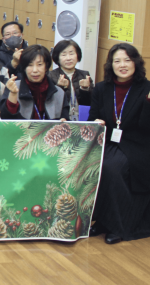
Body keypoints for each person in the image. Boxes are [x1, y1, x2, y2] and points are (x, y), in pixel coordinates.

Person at [89, 43, 150, 244]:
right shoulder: (101, 88)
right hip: (106, 140)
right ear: (111, 65)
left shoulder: (146, 88)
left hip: (137, 145)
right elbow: (92, 118)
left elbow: (146, 128)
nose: (122, 65)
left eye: (127, 60)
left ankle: (118, 224)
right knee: (94, 165)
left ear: (136, 63)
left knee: (111, 167)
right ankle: (102, 220)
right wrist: (97, 122)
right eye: (117, 61)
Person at [2, 45, 66, 120]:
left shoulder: (59, 93)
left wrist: (64, 122)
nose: (35, 70)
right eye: (30, 65)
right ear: (24, 68)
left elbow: (65, 120)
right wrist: (13, 94)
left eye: (39, 64)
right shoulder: (14, 87)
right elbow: (6, 119)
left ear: (46, 66)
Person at [49, 39, 92, 121]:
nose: (68, 58)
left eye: (71, 54)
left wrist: (85, 90)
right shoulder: (51, 76)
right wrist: (60, 88)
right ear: (57, 58)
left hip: (81, 119)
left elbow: (90, 103)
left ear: (77, 55)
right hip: (61, 120)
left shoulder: (85, 75)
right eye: (64, 55)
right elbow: (51, 104)